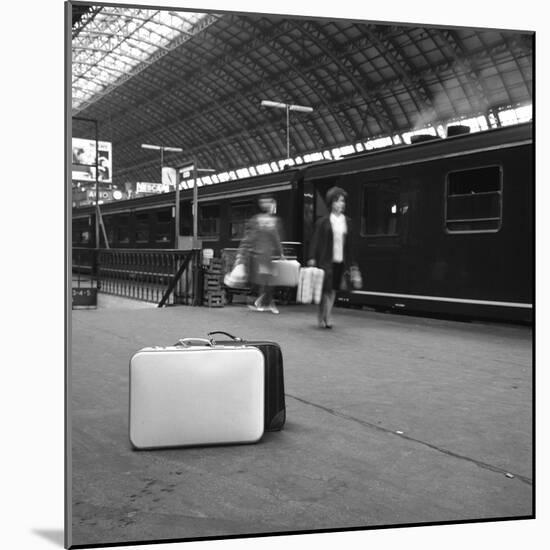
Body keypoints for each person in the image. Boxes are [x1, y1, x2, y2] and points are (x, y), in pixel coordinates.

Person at [307, 186, 355, 329]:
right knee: (326, 289)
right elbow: (315, 240)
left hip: (340, 260)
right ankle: (326, 317)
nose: (342, 204)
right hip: (326, 260)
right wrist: (312, 257)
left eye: (343, 201)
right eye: (339, 201)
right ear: (331, 203)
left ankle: (325, 315)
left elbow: (350, 244)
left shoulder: (348, 221)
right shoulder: (323, 222)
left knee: (332, 289)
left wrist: (352, 263)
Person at [237, 194, 284, 314]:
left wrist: (280, 252)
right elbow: (275, 238)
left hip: (262, 255)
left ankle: (264, 302)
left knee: (267, 280)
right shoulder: (271, 221)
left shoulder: (257, 219)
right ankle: (264, 302)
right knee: (267, 280)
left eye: (267, 202)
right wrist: (280, 253)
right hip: (263, 255)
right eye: (264, 202)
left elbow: (250, 238)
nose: (266, 204)